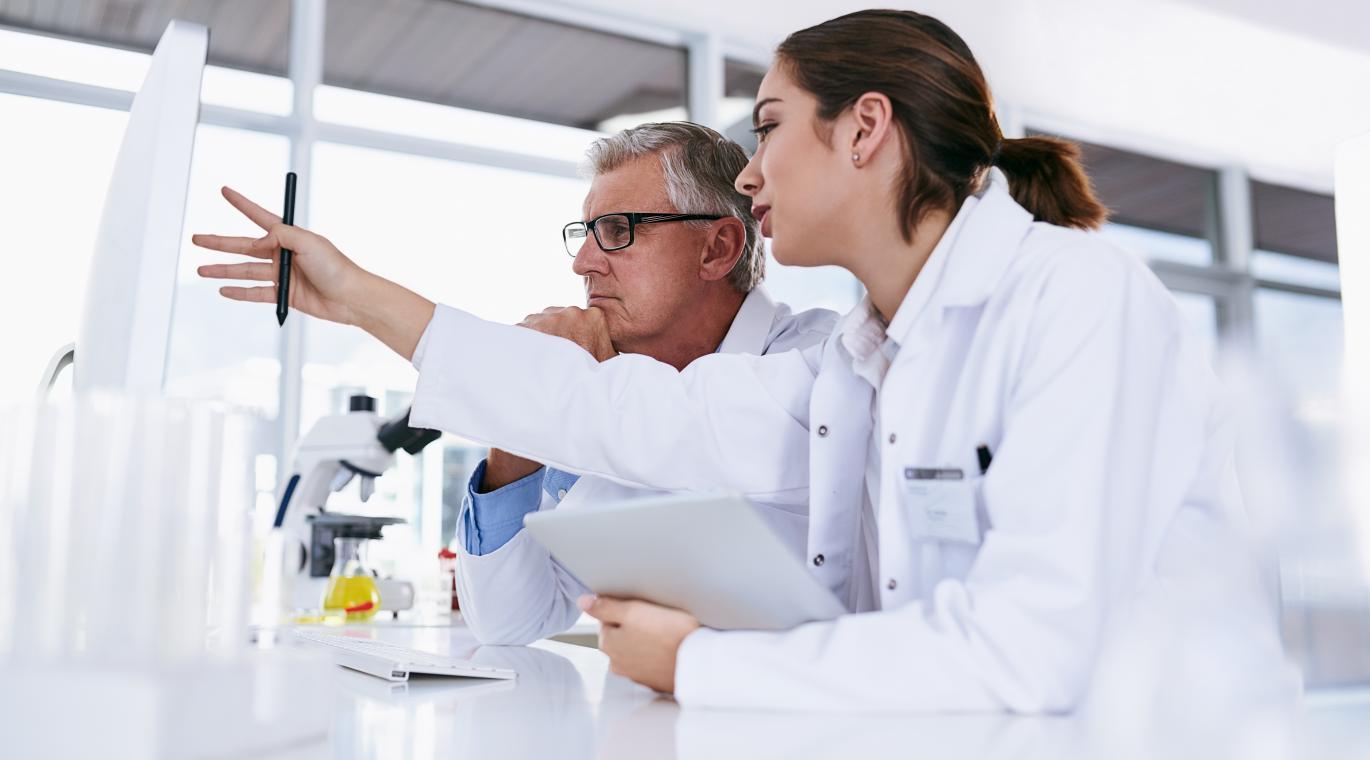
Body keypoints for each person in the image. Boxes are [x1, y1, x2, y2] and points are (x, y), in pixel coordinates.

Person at [195, 9, 1282, 713]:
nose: (751, 177)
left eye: (767, 131)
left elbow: (1023, 650)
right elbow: (628, 418)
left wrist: (694, 662)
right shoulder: (858, 360)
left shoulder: (1078, 301)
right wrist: (360, 296)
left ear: (864, 130)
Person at [452, 122, 834, 644]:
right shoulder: (596, 375)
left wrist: (578, 395)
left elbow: (713, 549)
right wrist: (519, 418)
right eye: (585, 234)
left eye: (616, 231)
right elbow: (509, 623)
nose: (583, 264)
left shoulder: (818, 363)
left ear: (717, 248)